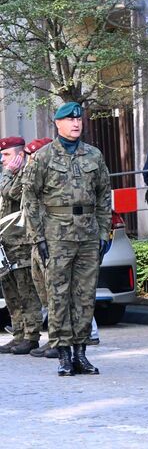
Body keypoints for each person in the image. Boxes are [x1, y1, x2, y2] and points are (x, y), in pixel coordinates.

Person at [22, 102, 111, 376]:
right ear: (57, 123)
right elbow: (31, 198)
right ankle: (62, 352)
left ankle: (81, 352)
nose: (76, 123)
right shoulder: (43, 157)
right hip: (56, 233)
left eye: (79, 119)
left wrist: (104, 231)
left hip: (87, 233)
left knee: (85, 295)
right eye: (70, 120)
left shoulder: (93, 155)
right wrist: (37, 237)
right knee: (58, 294)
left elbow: (104, 196)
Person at [0, 136, 43, 356]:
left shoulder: (25, 174)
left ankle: (31, 336)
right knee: (11, 294)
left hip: (22, 244)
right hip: (6, 244)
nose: (3, 160)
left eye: (7, 155)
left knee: (27, 292)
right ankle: (18, 334)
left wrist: (8, 173)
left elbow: (12, 193)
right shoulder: (8, 176)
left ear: (19, 155)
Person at [21, 137, 57, 359]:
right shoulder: (32, 174)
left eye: (33, 156)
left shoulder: (50, 174)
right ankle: (52, 338)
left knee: (56, 294)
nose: (30, 160)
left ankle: (59, 341)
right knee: (44, 294)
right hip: (37, 239)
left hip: (52, 238)